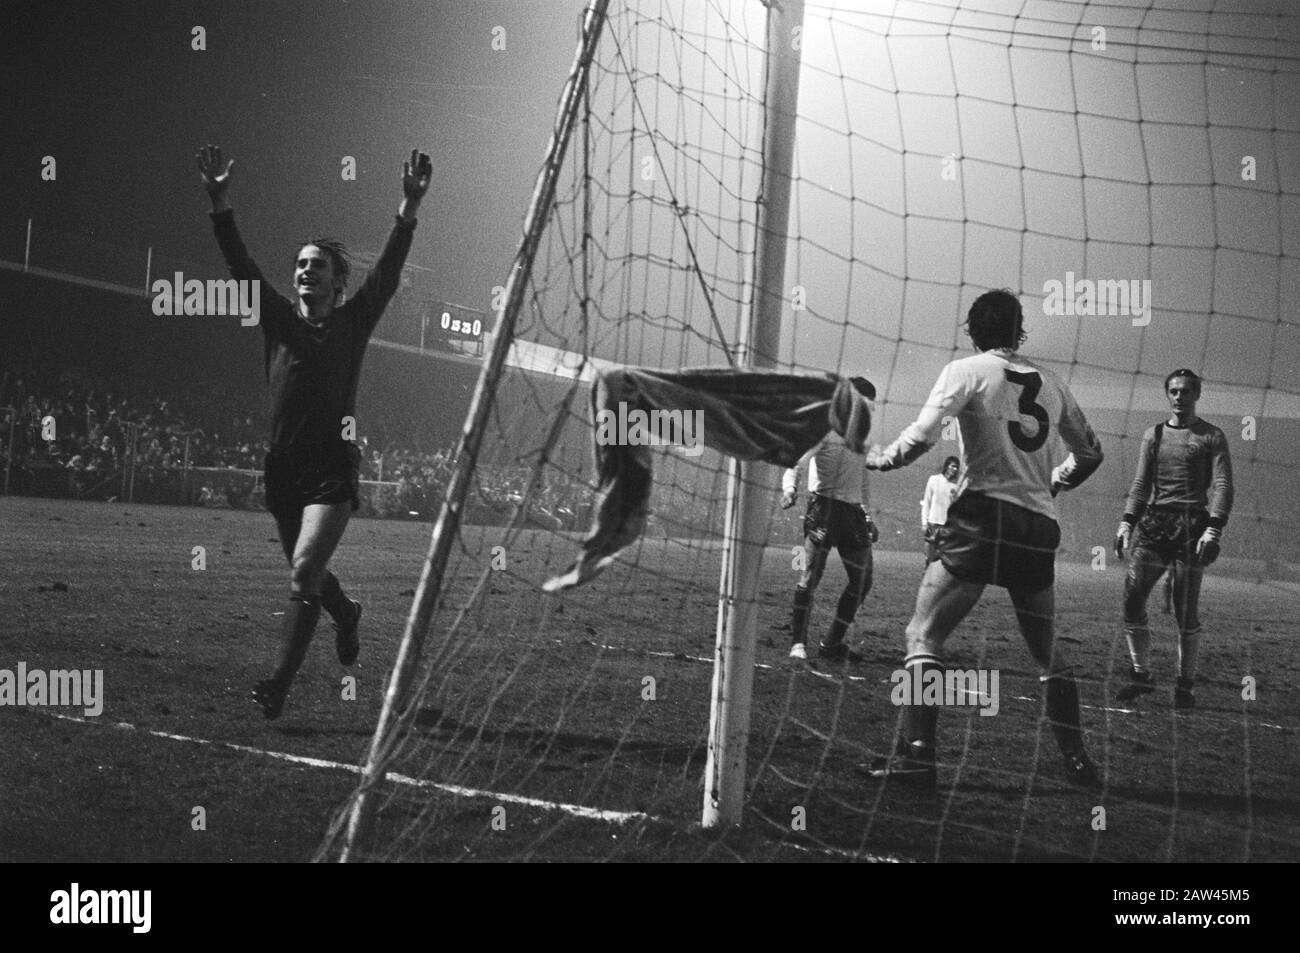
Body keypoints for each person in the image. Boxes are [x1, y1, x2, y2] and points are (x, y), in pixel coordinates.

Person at [197, 143, 431, 719]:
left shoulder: (353, 324)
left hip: (331, 466)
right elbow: (239, 266)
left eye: (316, 266)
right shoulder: (276, 318)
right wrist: (220, 201)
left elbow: (388, 274)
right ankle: (346, 613)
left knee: (303, 570)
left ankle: (276, 684)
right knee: (309, 572)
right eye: (300, 264)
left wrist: (407, 207)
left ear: (335, 282)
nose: (305, 271)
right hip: (282, 466)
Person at [863, 289, 1104, 789]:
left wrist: (879, 459)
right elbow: (1091, 454)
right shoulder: (1052, 382)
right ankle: (1078, 760)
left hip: (983, 519)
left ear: (973, 330)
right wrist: (1052, 482)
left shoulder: (965, 371)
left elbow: (924, 436)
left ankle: (917, 758)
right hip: (1036, 526)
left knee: (922, 635)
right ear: (1019, 331)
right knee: (1046, 649)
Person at [1114, 369, 1233, 709]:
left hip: (1191, 525)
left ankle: (1185, 684)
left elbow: (1223, 485)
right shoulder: (1152, 435)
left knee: (1184, 607)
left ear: (1197, 395)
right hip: (1155, 524)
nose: (1179, 397)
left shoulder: (1212, 436)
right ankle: (1142, 675)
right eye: (1174, 391)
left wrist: (1214, 528)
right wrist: (1126, 523)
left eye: (1185, 391)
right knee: (1133, 594)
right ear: (1167, 395)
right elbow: (1140, 485)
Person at [779, 377, 879, 663]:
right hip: (823, 508)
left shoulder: (863, 436)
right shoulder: (825, 429)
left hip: (852, 513)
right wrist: (789, 490)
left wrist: (868, 517)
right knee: (811, 576)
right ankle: (798, 643)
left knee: (863, 580)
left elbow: (863, 480)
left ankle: (832, 643)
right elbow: (795, 462)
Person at [920, 455, 962, 565]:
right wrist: (924, 523)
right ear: (947, 466)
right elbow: (927, 502)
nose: (955, 469)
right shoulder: (934, 480)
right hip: (933, 524)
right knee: (929, 557)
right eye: (953, 466)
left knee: (943, 558)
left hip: (947, 526)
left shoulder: (957, 485)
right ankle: (926, 577)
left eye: (957, 467)